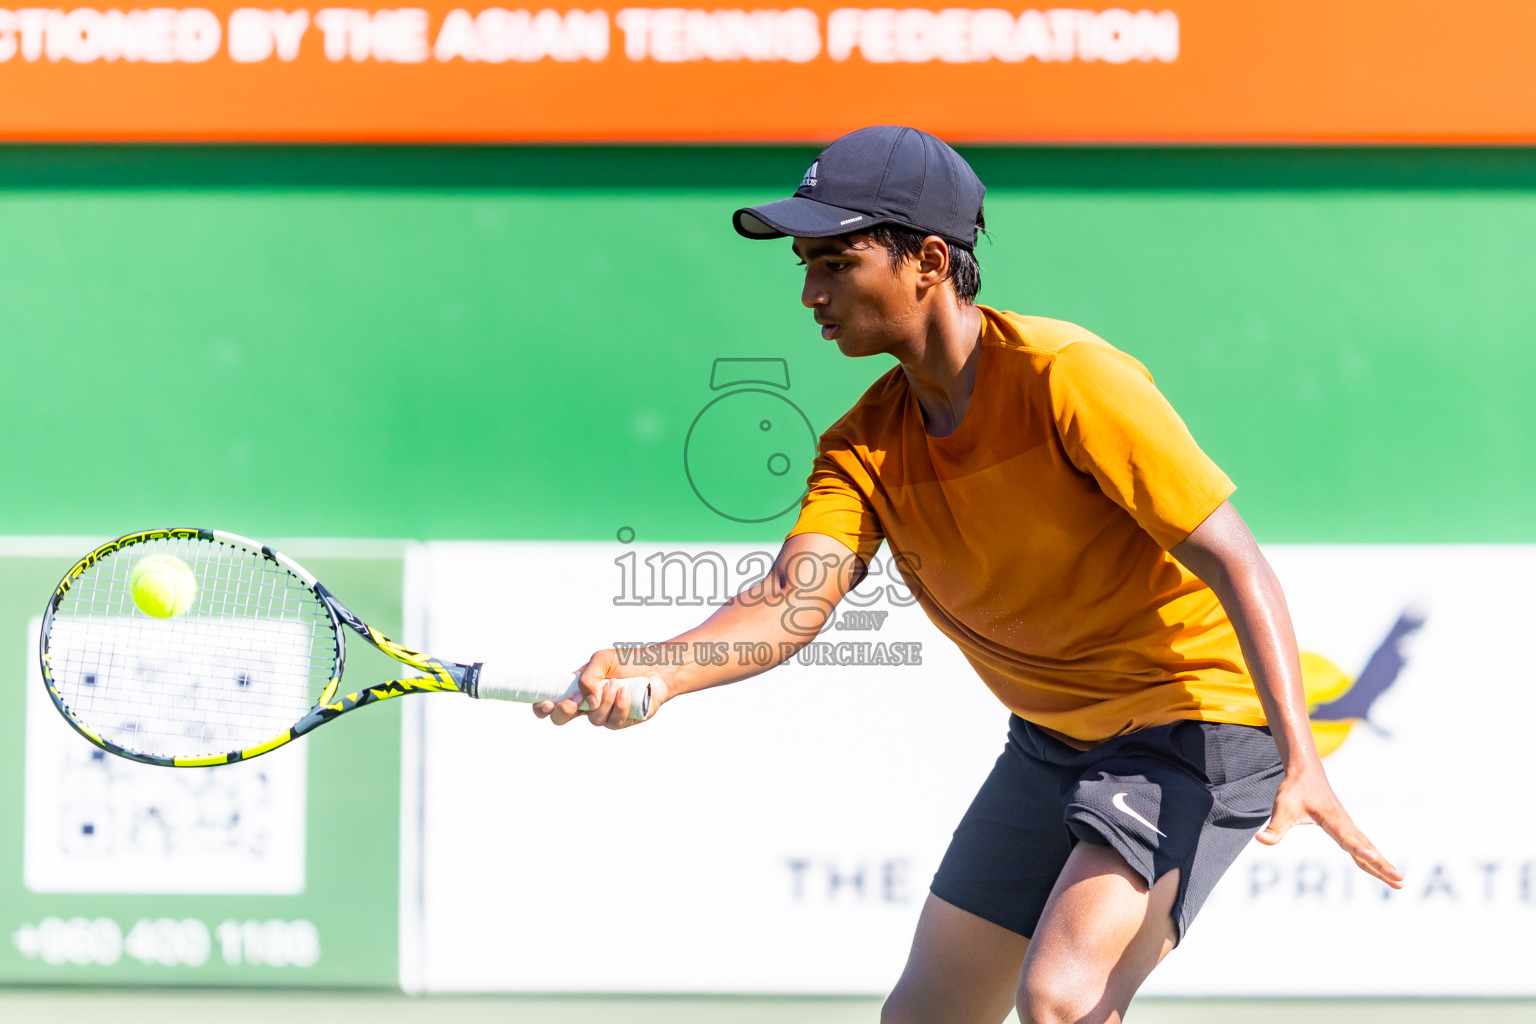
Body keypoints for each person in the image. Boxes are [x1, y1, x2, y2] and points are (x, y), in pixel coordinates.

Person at [532, 126, 1403, 1024]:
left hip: (1195, 726)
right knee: (924, 1017)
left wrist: (1303, 758)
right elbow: (790, 602)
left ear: (930, 261)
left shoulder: (1068, 379)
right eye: (804, 264)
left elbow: (1237, 560)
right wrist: (658, 666)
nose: (808, 293)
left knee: (1063, 999)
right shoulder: (862, 445)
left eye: (835, 262)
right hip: (1051, 742)